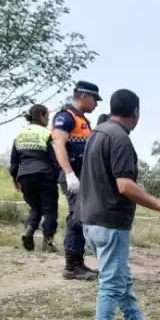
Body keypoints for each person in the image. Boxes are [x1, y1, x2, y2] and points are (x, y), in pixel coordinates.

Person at [80, 88, 160, 320]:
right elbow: (124, 186)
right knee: (112, 284)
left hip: (90, 220)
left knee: (120, 277)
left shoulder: (97, 133)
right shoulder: (120, 139)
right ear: (136, 113)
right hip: (110, 222)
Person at [51, 81, 102, 280]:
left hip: (83, 177)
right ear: (82, 96)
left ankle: (78, 263)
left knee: (81, 216)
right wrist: (69, 173)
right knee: (76, 217)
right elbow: (58, 144)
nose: (96, 104)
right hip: (73, 176)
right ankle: (72, 266)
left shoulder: (83, 120)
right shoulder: (66, 117)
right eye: (94, 99)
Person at [10, 104, 58, 252]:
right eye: (47, 117)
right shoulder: (47, 133)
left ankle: (28, 231)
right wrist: (57, 176)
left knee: (35, 207)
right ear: (42, 115)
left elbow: (14, 162)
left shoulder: (20, 134)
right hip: (45, 174)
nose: (48, 120)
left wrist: (15, 179)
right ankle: (48, 242)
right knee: (50, 209)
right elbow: (55, 158)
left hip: (25, 175)